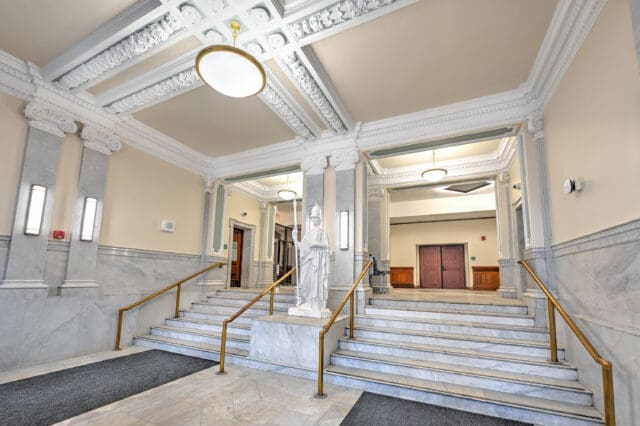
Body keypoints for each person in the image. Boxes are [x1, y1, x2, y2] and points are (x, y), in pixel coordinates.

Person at [292, 203, 331, 313]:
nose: (314, 220)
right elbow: (301, 247)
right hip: (308, 261)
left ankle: (316, 305)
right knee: (305, 282)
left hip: (317, 261)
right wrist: (295, 238)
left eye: (316, 218)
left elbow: (327, 246)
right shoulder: (308, 233)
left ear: (319, 219)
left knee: (316, 283)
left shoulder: (323, 232)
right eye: (313, 218)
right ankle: (308, 302)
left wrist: (316, 244)